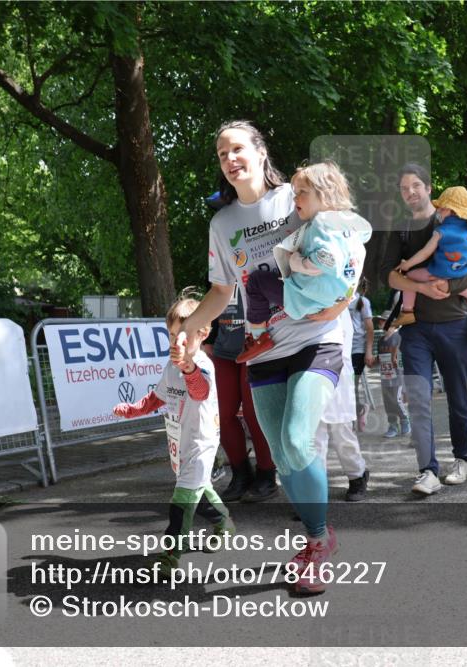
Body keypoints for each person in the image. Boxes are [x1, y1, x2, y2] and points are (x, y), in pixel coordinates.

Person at [182, 120, 357, 594]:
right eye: (222, 154)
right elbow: (222, 290)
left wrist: (342, 301)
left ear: (261, 152)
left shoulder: (293, 199)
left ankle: (318, 543)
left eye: (238, 148)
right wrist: (191, 327)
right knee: (280, 455)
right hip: (262, 349)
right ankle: (316, 537)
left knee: (299, 440)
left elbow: (343, 244)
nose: (230, 158)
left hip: (317, 337)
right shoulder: (222, 224)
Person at [381, 164, 467, 495]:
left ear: (429, 189)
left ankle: (461, 458)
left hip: (455, 326)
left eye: (416, 185)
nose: (410, 192)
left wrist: (450, 283)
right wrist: (425, 289)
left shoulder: (454, 217)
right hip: (415, 329)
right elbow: (391, 275)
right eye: (404, 188)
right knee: (418, 398)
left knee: (458, 395)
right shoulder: (399, 230)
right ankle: (427, 470)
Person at [113, 290, 234, 571]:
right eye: (171, 336)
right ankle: (223, 521)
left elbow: (200, 391)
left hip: (202, 442)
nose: (176, 342)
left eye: (183, 335)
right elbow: (159, 396)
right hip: (179, 439)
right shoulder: (171, 365)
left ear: (203, 333)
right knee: (197, 489)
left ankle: (171, 555)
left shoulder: (204, 365)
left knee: (182, 497)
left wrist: (188, 367)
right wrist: (135, 409)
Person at [236, 161, 371, 363]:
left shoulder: (322, 223)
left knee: (256, 282)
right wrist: (346, 297)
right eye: (294, 192)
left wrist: (295, 261)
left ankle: (257, 338)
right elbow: (355, 258)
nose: (295, 198)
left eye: (302, 192)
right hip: (335, 297)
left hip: (307, 296)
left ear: (324, 195)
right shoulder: (349, 225)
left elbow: (325, 261)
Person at [392, 186, 467, 348]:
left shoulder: (440, 231)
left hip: (434, 274)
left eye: (440, 208)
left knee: (410, 277)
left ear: (449, 210)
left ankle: (408, 311)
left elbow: (425, 253)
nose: (438, 212)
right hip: (461, 279)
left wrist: (407, 265)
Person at [207, 283, 279, 503]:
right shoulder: (218, 260)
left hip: (256, 347)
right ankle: (241, 473)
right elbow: (213, 299)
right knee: (221, 415)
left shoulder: (260, 253)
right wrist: (208, 340)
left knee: (253, 413)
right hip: (223, 350)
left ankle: (266, 475)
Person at [315, 310, 370, 502]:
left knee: (342, 432)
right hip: (308, 371)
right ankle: (315, 490)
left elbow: (344, 342)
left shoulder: (339, 304)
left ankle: (357, 475)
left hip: (335, 369)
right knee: (314, 436)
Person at [375, 310, 410, 438]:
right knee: (388, 402)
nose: (381, 323)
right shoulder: (380, 341)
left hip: (397, 377)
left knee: (396, 399)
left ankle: (405, 420)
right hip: (385, 376)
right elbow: (380, 357)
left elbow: (402, 358)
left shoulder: (399, 337)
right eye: (380, 321)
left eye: (384, 321)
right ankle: (392, 425)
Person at [348, 279, 376, 431]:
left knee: (352, 385)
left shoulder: (362, 301)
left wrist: (369, 351)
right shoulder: (338, 299)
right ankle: (355, 412)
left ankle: (358, 412)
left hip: (357, 349)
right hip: (341, 349)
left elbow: (370, 328)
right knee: (343, 386)